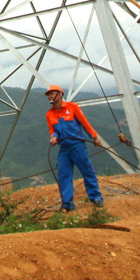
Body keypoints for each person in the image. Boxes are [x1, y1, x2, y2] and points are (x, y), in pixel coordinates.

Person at [43, 84, 107, 212]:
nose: (49, 96)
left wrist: (94, 137)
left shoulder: (72, 107)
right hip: (64, 149)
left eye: (51, 93)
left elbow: (84, 123)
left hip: (78, 146)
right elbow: (52, 130)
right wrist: (54, 137)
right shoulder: (49, 114)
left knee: (87, 171)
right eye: (48, 94)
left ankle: (95, 197)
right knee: (63, 174)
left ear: (59, 94)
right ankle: (67, 204)